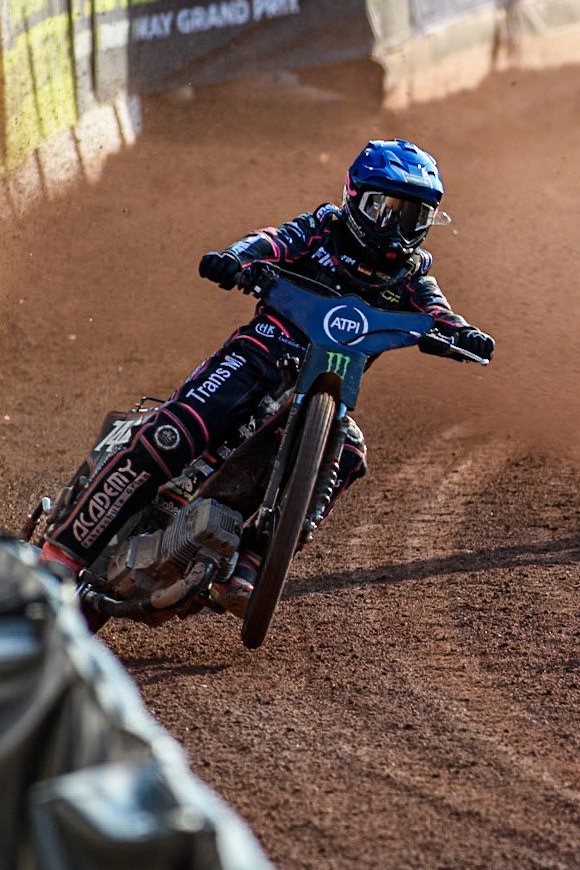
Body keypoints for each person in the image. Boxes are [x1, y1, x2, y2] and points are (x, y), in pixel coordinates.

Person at [40, 139, 495, 614]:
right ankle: (58, 558)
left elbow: (437, 312)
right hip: (258, 356)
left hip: (324, 385)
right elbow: (271, 241)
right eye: (388, 210)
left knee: (352, 453)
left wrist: (464, 336)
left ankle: (251, 565)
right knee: (174, 433)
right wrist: (235, 259)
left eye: (414, 217)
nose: (400, 230)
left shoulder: (411, 273)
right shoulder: (323, 228)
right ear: (356, 200)